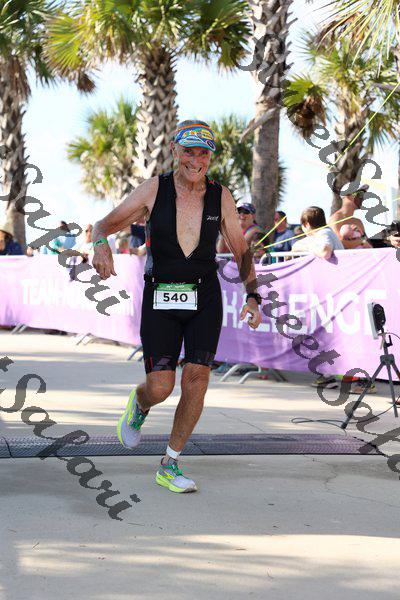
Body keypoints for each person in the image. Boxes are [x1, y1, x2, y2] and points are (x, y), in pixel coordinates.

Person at [91, 119, 262, 493]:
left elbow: (240, 249)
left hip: (204, 297)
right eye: (189, 152)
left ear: (210, 157)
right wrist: (100, 245)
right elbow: (103, 224)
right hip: (161, 296)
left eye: (203, 154)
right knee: (161, 386)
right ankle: (140, 404)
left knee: (197, 380)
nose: (196, 161)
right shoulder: (155, 189)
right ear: (174, 151)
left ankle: (170, 463)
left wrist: (253, 295)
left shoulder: (220, 195)